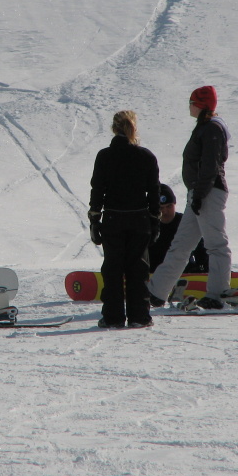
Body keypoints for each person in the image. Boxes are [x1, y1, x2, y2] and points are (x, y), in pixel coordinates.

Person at [147, 86, 233, 309]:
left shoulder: (212, 128)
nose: (189, 106)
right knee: (181, 244)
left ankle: (218, 293)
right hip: (198, 193)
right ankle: (157, 291)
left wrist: (200, 194)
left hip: (208, 193)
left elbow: (210, 166)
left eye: (191, 102)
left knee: (215, 244)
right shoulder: (205, 127)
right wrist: (195, 195)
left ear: (200, 105)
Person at [88, 110, 160, 328]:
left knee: (112, 269)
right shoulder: (146, 156)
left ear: (114, 128)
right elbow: (154, 192)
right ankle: (139, 316)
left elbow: (97, 190)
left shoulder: (105, 156)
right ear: (133, 128)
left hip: (113, 219)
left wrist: (94, 219)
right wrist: (155, 220)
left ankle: (112, 317)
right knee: (138, 269)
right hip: (139, 220)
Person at [149, 183, 208, 274]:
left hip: (185, 274)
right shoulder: (148, 225)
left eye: (169, 206)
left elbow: (202, 250)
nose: (165, 211)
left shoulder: (185, 223)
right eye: (161, 208)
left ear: (174, 204)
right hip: (154, 273)